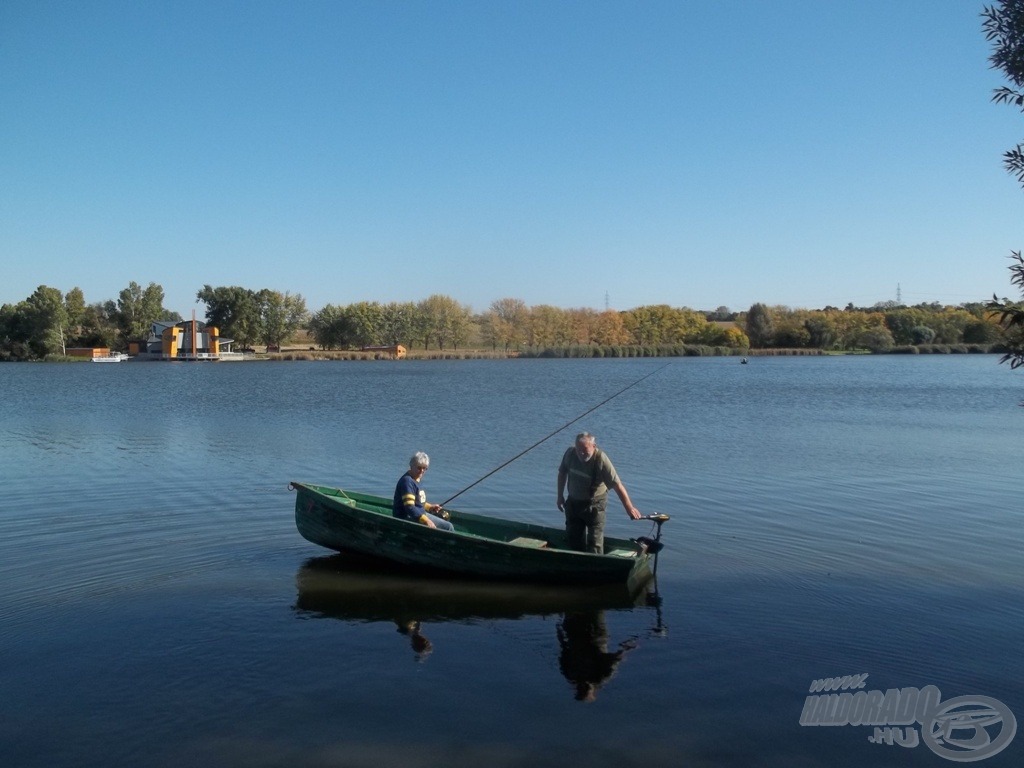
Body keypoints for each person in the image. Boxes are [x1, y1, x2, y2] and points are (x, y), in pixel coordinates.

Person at [556, 432, 640, 553]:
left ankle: (596, 565)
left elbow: (617, 485)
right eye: (579, 450)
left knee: (595, 543)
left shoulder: (601, 459)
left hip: (595, 505)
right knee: (573, 540)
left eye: (585, 450)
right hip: (573, 503)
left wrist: (629, 508)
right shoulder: (570, 454)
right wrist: (560, 496)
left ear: (594, 446)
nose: (581, 453)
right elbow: (562, 474)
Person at [393, 451, 454, 531]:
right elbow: (410, 507)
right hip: (406, 516)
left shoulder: (416, 478)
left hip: (417, 514)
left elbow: (417, 502)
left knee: (445, 519)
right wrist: (426, 520)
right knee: (448, 527)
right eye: (419, 467)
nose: (422, 471)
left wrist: (430, 507)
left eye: (424, 468)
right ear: (411, 466)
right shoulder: (407, 482)